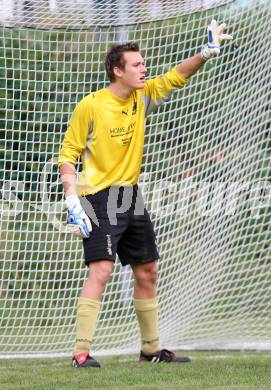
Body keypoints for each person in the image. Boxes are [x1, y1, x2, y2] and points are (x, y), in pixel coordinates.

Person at [58, 20, 232, 368]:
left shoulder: (142, 97)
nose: (144, 68)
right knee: (102, 270)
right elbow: (68, 154)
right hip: (97, 197)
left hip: (130, 196)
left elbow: (175, 76)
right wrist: (71, 199)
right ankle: (81, 352)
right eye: (136, 64)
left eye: (143, 63)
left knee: (147, 270)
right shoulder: (90, 105)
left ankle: (150, 350)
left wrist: (204, 54)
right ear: (117, 71)